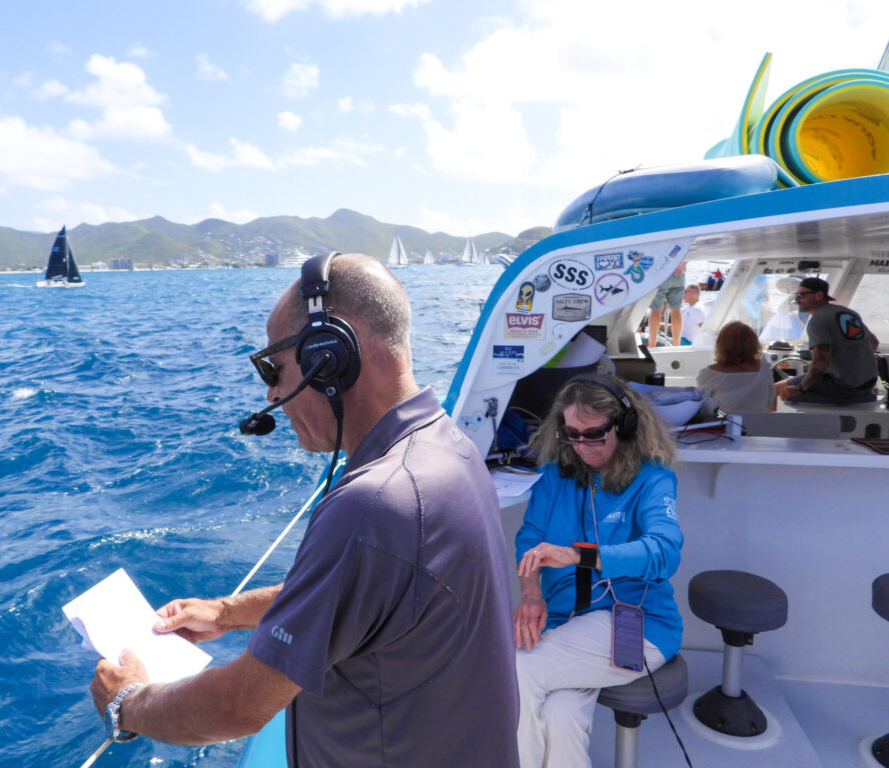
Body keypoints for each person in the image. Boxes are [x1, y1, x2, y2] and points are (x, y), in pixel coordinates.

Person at [90, 253, 521, 767]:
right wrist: (226, 613)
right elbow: (364, 588)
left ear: (329, 355)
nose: (272, 393)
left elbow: (239, 707)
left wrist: (128, 702)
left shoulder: (373, 505)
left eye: (274, 368)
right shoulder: (449, 447)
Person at [513, 373, 683, 768]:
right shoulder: (555, 476)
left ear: (623, 426)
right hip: (567, 620)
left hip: (638, 624)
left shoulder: (653, 479)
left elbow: (664, 552)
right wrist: (531, 592)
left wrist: (579, 556)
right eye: (571, 434)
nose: (581, 445)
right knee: (561, 715)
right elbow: (530, 537)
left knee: (519, 668)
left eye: (593, 434)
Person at [774, 277, 880, 403]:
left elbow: (821, 362)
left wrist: (800, 388)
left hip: (842, 386)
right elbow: (873, 342)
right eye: (796, 295)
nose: (796, 300)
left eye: (801, 295)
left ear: (818, 295)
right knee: (784, 384)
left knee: (779, 391)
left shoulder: (818, 320)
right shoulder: (848, 313)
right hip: (867, 384)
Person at [696, 321, 776, 413]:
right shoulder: (764, 369)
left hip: (725, 422)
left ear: (720, 345)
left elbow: (704, 409)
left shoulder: (709, 374)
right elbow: (769, 403)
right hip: (758, 421)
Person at [646, 261, 686, 346]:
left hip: (660, 272)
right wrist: (683, 263)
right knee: (676, 310)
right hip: (679, 273)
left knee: (655, 310)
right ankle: (676, 343)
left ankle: (652, 344)